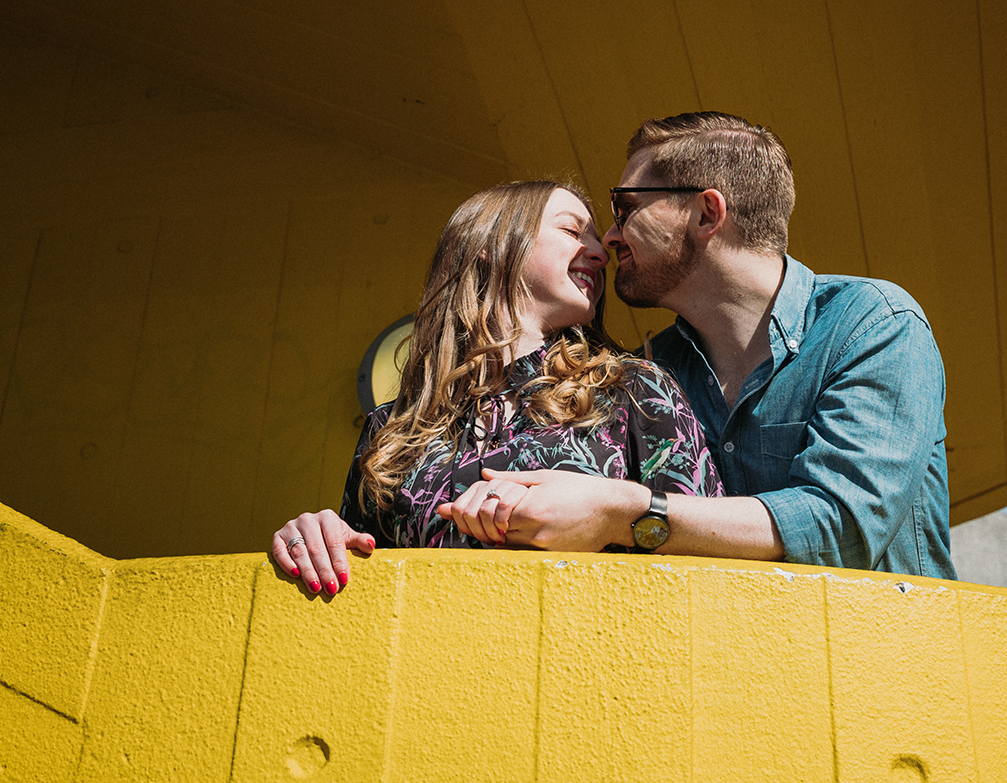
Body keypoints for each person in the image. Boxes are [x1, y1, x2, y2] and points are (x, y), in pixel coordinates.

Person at [459, 113, 954, 579]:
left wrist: (626, 512)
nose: (609, 236)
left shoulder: (871, 323)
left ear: (706, 212)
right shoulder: (652, 369)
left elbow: (842, 525)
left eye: (625, 207)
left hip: (879, 662)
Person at [273, 179, 722, 596]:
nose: (600, 251)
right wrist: (316, 539)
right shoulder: (390, 429)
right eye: (572, 231)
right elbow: (363, 577)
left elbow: (710, 552)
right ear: (491, 246)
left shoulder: (633, 389)